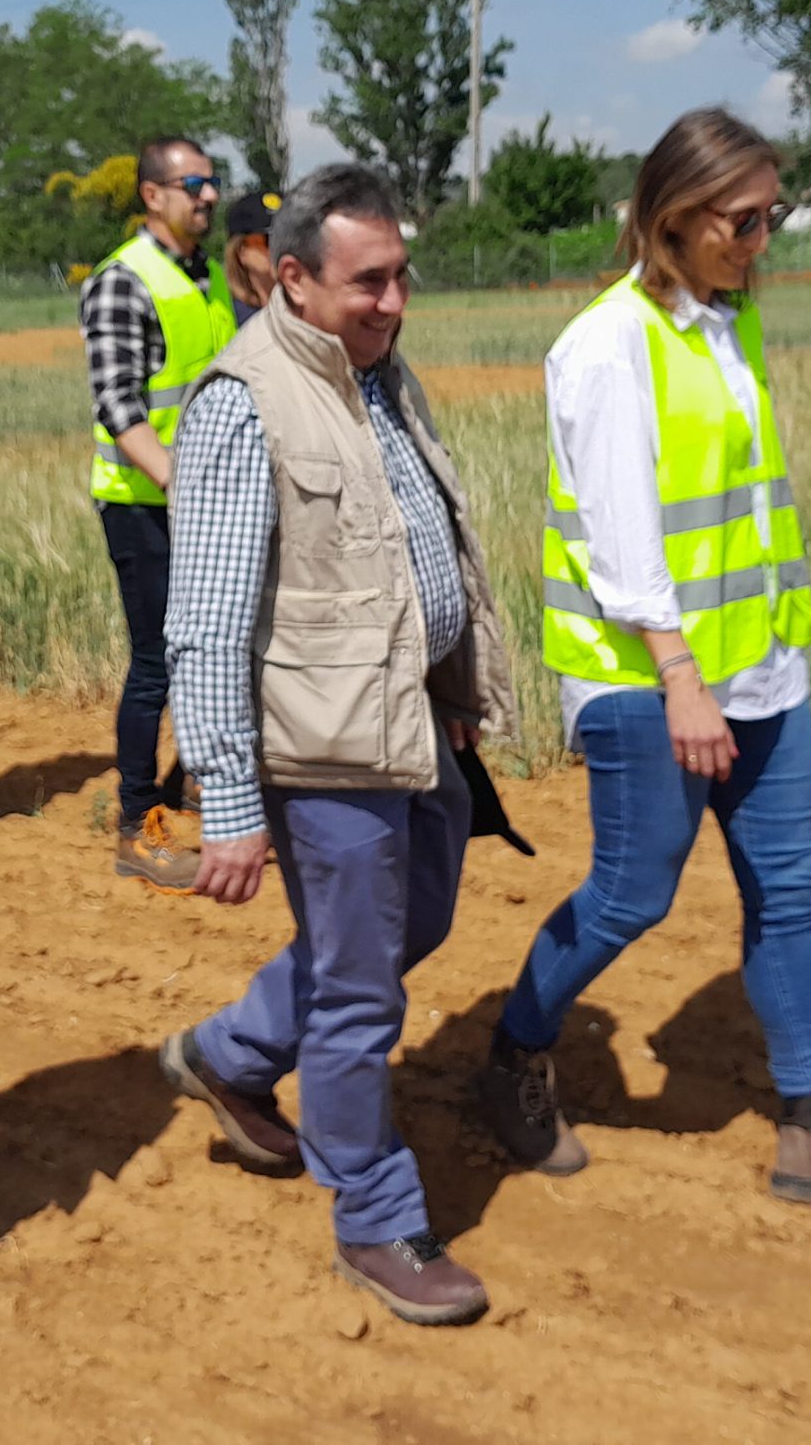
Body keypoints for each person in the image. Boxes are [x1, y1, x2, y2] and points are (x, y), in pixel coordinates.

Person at [477, 109, 811, 1215]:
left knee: (786, 895)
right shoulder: (604, 343)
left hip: (760, 667)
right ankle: (510, 1056)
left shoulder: (724, 325)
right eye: (743, 220)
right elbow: (621, 528)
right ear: (675, 219)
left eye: (770, 216)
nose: (761, 239)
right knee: (631, 896)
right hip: (652, 678)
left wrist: (768, 652)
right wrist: (680, 676)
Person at [161, 164, 518, 1327]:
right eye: (368, 281)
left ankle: (230, 1052)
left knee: (417, 921)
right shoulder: (241, 400)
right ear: (296, 277)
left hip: (412, 720)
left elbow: (423, 552)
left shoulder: (378, 377)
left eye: (401, 275)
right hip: (324, 749)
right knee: (362, 990)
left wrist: (453, 682)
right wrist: (226, 798)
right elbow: (205, 622)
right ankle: (374, 1214)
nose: (393, 299)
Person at [77, 135, 234, 889]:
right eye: (194, 184)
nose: (208, 196)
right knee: (155, 665)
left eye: (211, 183)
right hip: (144, 504)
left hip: (205, 503)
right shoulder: (122, 280)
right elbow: (120, 404)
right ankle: (138, 828)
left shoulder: (205, 279)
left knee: (216, 646)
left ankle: (199, 775)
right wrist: (179, 481)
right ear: (153, 195)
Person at [222, 186, 280, 323]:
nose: (281, 247)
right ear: (241, 251)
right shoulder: (228, 316)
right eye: (269, 241)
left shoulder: (310, 311)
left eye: (288, 237)